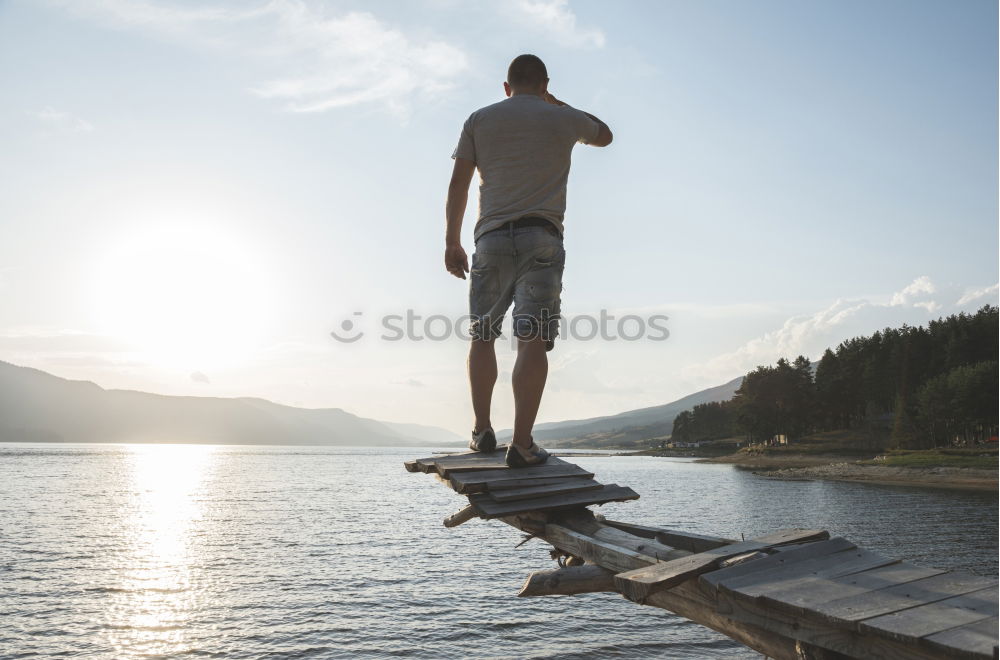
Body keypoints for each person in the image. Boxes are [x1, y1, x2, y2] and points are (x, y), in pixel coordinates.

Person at [444, 54, 613, 467]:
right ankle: (521, 444)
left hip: (491, 239)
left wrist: (451, 241)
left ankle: (482, 431)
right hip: (543, 237)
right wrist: (557, 104)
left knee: (482, 335)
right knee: (531, 339)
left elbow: (459, 184)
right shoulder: (563, 117)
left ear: (506, 86)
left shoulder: (479, 119)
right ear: (544, 84)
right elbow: (605, 135)